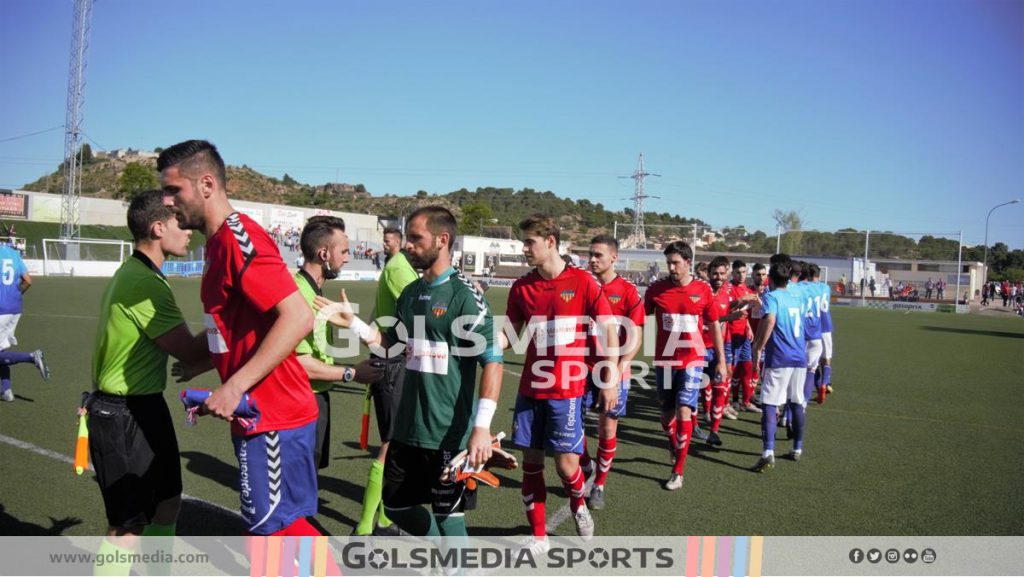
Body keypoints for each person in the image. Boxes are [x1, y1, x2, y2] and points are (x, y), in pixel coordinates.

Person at [159, 140, 326, 539]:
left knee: (267, 535)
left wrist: (233, 386)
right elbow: (232, 322)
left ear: (206, 184)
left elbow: (298, 317)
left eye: (174, 190)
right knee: (287, 528)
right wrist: (201, 358)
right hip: (264, 413)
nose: (167, 201)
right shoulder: (217, 244)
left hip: (273, 415)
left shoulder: (238, 239)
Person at [316, 205, 503, 540]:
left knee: (449, 518)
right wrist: (355, 324)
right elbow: (391, 347)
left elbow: (492, 360)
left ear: (443, 239)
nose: (407, 245)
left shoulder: (467, 296)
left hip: (449, 433)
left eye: (416, 238)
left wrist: (481, 427)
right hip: (407, 428)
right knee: (396, 505)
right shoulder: (411, 293)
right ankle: (445, 553)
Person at [87, 190, 207, 575]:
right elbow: (188, 351)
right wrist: (229, 316)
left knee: (168, 501)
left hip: (146, 407)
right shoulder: (144, 282)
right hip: (122, 413)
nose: (187, 229)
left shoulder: (144, 274)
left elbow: (188, 354)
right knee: (127, 526)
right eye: (178, 222)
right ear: (158, 228)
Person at [505, 215, 618, 548]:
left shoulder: (583, 283)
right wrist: (474, 346)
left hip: (567, 390)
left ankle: (578, 503)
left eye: (529, 242)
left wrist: (609, 376)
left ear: (550, 241)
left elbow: (610, 329)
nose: (524, 248)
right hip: (530, 390)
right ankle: (539, 537)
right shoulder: (522, 287)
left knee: (567, 466)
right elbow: (508, 336)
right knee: (531, 465)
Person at [644, 242, 726, 491]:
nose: (671, 267)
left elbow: (714, 325)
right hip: (665, 361)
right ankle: (673, 443)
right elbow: (640, 319)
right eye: (668, 262)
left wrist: (721, 359)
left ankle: (678, 471)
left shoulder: (703, 290)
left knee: (684, 411)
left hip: (692, 360)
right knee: (667, 415)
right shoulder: (656, 290)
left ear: (688, 262)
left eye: (675, 262)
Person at [352, 225, 417, 537]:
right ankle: (365, 528)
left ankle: (384, 517)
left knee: (397, 443)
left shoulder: (397, 267)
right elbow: (423, 312)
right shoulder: (399, 269)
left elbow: (379, 315)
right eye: (413, 239)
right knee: (391, 444)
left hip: (391, 361)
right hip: (393, 365)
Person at [292, 216, 369, 476]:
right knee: (300, 485)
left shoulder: (313, 291)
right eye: (344, 251)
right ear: (324, 253)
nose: (347, 258)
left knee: (308, 479)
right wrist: (352, 373)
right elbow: (298, 364)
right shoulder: (301, 295)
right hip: (300, 401)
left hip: (315, 397)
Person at [580, 235, 644, 510]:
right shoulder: (581, 285)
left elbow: (636, 336)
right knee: (571, 427)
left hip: (615, 370)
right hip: (580, 368)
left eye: (598, 255)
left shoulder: (628, 291)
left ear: (614, 257)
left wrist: (617, 370)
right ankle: (586, 466)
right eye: (590, 255)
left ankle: (599, 485)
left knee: (607, 427)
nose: (592, 260)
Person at [751, 261, 808, 472]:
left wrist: (758, 348)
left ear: (770, 279)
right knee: (796, 401)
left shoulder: (772, 296)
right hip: (799, 357)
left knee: (769, 403)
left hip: (780, 357)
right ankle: (797, 448)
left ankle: (767, 452)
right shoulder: (797, 296)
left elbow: (770, 320)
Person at [0, 238, 48, 402]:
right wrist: (15, 295)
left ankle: (31, 357)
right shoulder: (12, 253)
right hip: (15, 308)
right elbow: (28, 280)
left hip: (1, 310)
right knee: (1, 350)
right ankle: (6, 390)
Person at [728, 259, 760, 413]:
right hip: (731, 334)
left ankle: (746, 401)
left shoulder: (747, 289)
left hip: (744, 335)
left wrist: (748, 327)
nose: (741, 275)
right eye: (738, 272)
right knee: (732, 370)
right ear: (732, 273)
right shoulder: (728, 289)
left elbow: (746, 313)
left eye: (743, 272)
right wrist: (741, 301)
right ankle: (731, 401)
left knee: (747, 367)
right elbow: (725, 309)